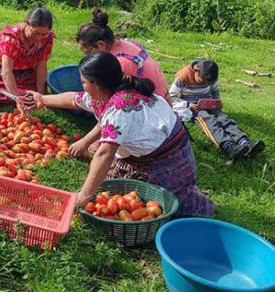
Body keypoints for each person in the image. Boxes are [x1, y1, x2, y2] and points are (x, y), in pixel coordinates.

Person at [27, 52, 214, 216]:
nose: (82, 86)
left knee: (155, 202)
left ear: (96, 83)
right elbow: (73, 99)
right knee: (110, 188)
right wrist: (42, 99)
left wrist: (83, 197)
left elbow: (104, 153)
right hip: (147, 150)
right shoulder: (113, 89)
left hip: (168, 159)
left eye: (83, 82)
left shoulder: (119, 108)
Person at [169, 59, 264, 161]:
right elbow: (171, 96)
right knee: (209, 121)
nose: (204, 84)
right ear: (196, 70)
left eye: (208, 83)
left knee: (224, 119)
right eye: (202, 81)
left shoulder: (211, 76)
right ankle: (228, 147)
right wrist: (188, 104)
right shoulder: (182, 76)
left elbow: (215, 90)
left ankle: (244, 142)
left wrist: (216, 101)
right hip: (195, 107)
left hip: (209, 103)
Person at [76, 8, 171, 103]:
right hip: (163, 94)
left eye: (88, 52)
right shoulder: (129, 43)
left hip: (152, 104)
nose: (86, 57)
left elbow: (107, 94)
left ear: (101, 44)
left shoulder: (118, 63)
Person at [0, 7, 55, 105]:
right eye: (35, 33)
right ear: (26, 23)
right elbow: (6, 71)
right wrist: (16, 98)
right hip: (0, 71)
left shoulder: (47, 39)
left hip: (26, 72)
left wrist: (41, 96)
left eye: (43, 34)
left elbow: (41, 67)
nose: (39, 38)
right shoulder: (11, 38)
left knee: (33, 95)